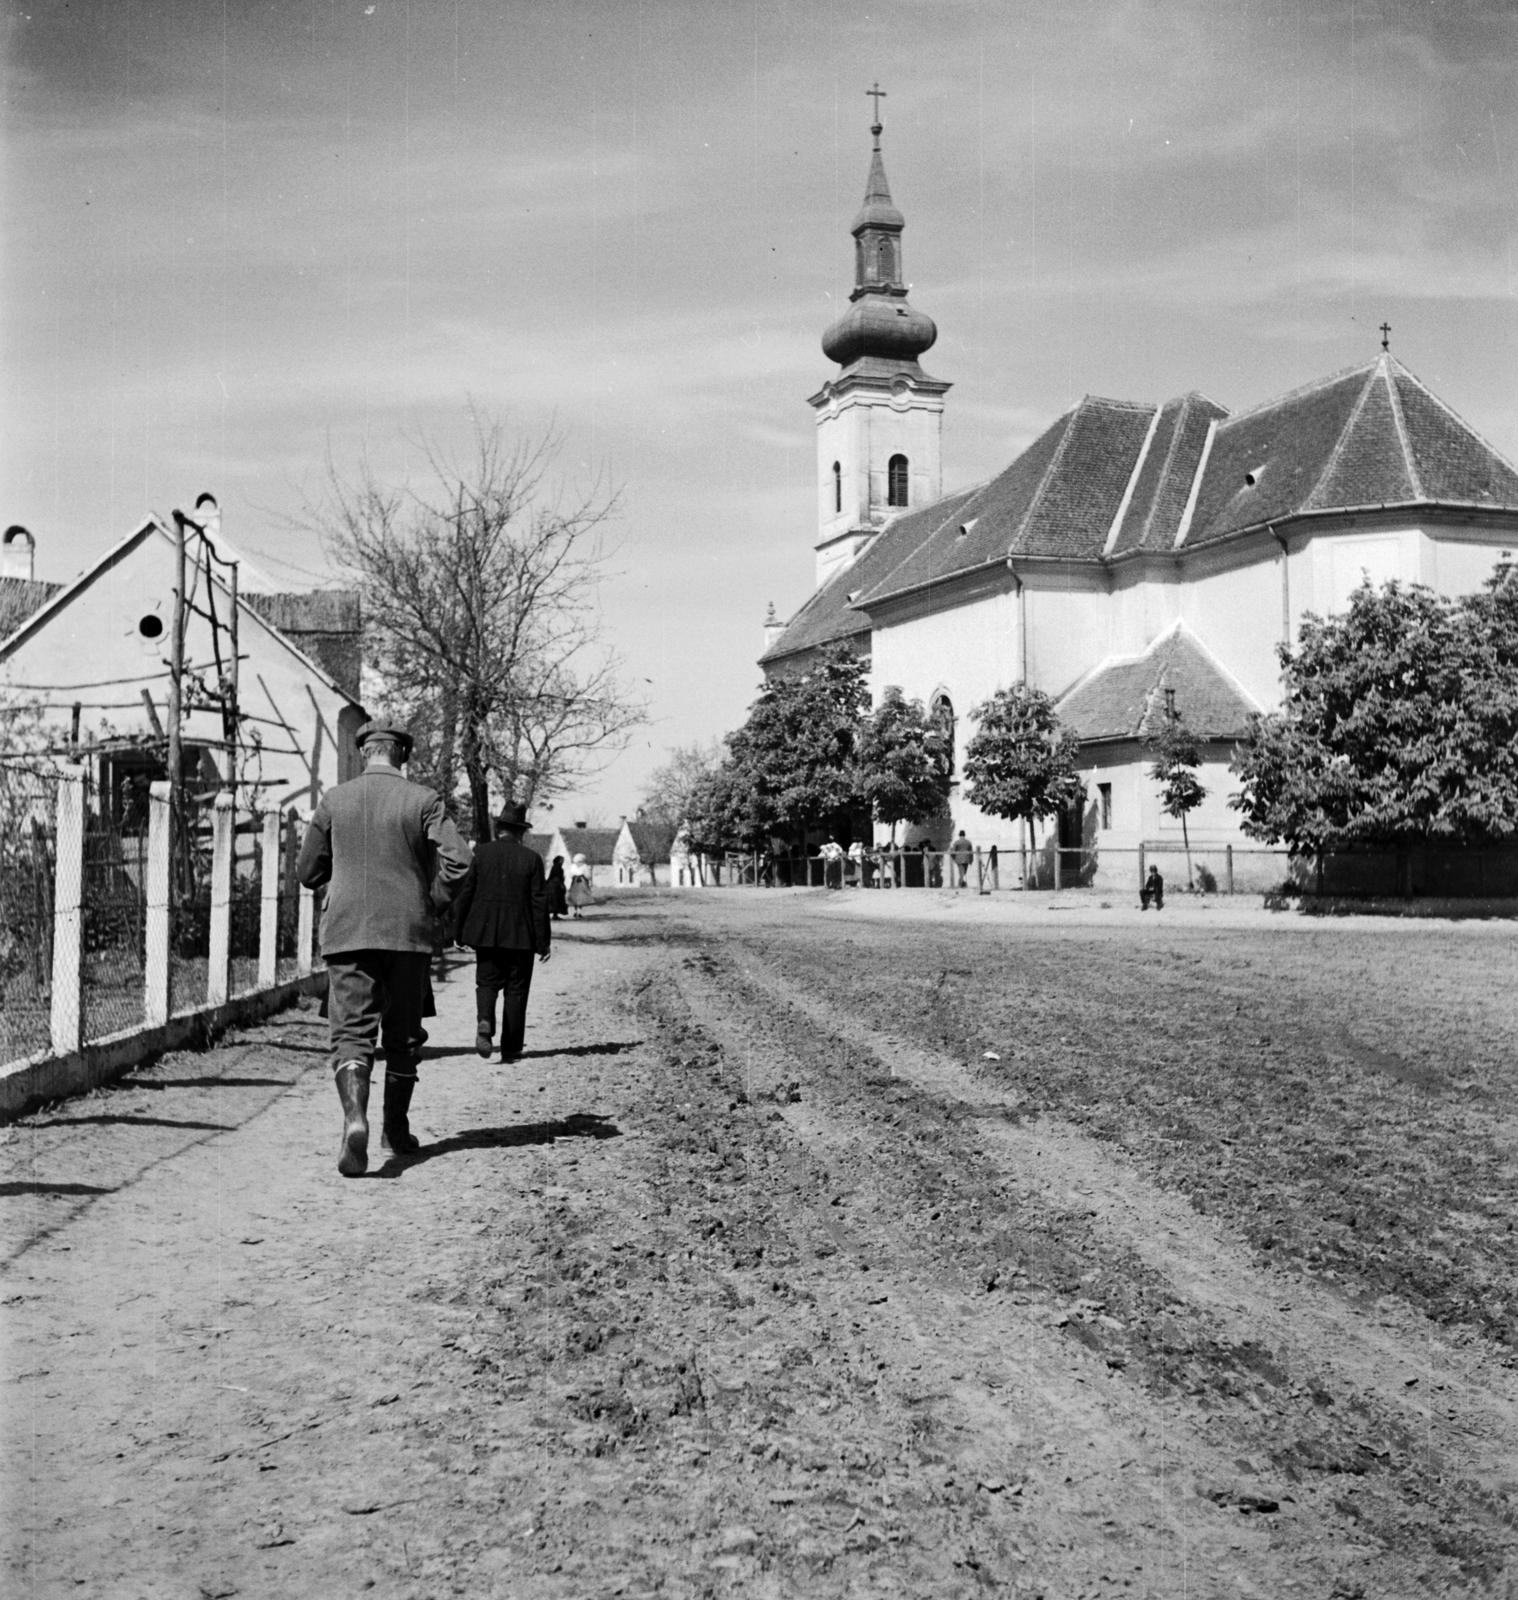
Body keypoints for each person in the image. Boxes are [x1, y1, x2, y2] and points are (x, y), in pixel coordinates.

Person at [296, 716, 471, 1177]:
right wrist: (431, 900)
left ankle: (355, 1118)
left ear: (363, 753)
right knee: (403, 1035)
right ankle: (396, 1128)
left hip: (347, 932)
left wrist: (339, 871)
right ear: (403, 755)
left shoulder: (335, 800)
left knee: (351, 1033)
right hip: (407, 933)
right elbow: (459, 860)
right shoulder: (424, 800)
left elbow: (307, 872)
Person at [452, 802, 552, 1065]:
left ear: (499, 829)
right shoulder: (531, 859)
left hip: (486, 933)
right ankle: (511, 1048)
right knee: (516, 990)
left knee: (486, 983)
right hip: (521, 936)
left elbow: (466, 893)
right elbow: (539, 903)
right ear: (521, 832)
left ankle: (485, 1019)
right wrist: (543, 942)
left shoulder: (481, 854)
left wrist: (458, 931)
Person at [567, 853, 593, 917]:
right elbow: (588, 876)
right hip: (582, 882)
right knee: (581, 897)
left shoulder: (573, 866)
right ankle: (579, 912)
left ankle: (576, 911)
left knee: (575, 897)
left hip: (575, 882)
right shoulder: (584, 866)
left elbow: (570, 875)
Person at [546, 855, 569, 920]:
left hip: (552, 885)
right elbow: (559, 877)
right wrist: (562, 885)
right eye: (562, 860)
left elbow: (550, 876)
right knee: (557, 900)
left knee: (553, 900)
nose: (563, 861)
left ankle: (554, 915)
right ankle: (555, 915)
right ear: (559, 861)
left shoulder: (554, 867)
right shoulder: (559, 868)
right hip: (557, 886)